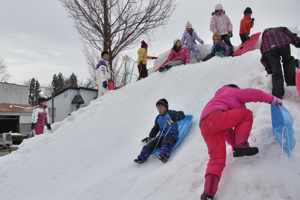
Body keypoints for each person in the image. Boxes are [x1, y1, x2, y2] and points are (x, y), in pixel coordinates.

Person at [199, 84, 283, 200]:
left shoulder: (219, 99)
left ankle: (208, 194)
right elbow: (255, 94)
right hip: (217, 116)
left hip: (205, 125)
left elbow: (227, 131)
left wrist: (234, 145)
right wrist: (273, 99)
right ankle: (241, 145)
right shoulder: (232, 92)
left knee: (216, 159)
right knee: (246, 114)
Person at [134, 99, 185, 163]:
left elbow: (181, 114)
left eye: (161, 107)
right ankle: (142, 157)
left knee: (166, 141)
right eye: (158, 108)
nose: (159, 110)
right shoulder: (158, 118)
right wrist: (150, 136)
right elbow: (156, 128)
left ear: (166, 107)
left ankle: (164, 155)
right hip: (161, 136)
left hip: (171, 135)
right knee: (151, 143)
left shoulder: (170, 113)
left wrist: (174, 119)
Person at [260, 27, 300, 99]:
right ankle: (291, 81)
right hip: (283, 44)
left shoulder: (265, 37)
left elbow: (263, 56)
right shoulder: (280, 29)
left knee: (276, 71)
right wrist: (298, 42)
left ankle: (278, 94)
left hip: (270, 49)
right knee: (288, 61)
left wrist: (270, 69)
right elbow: (292, 35)